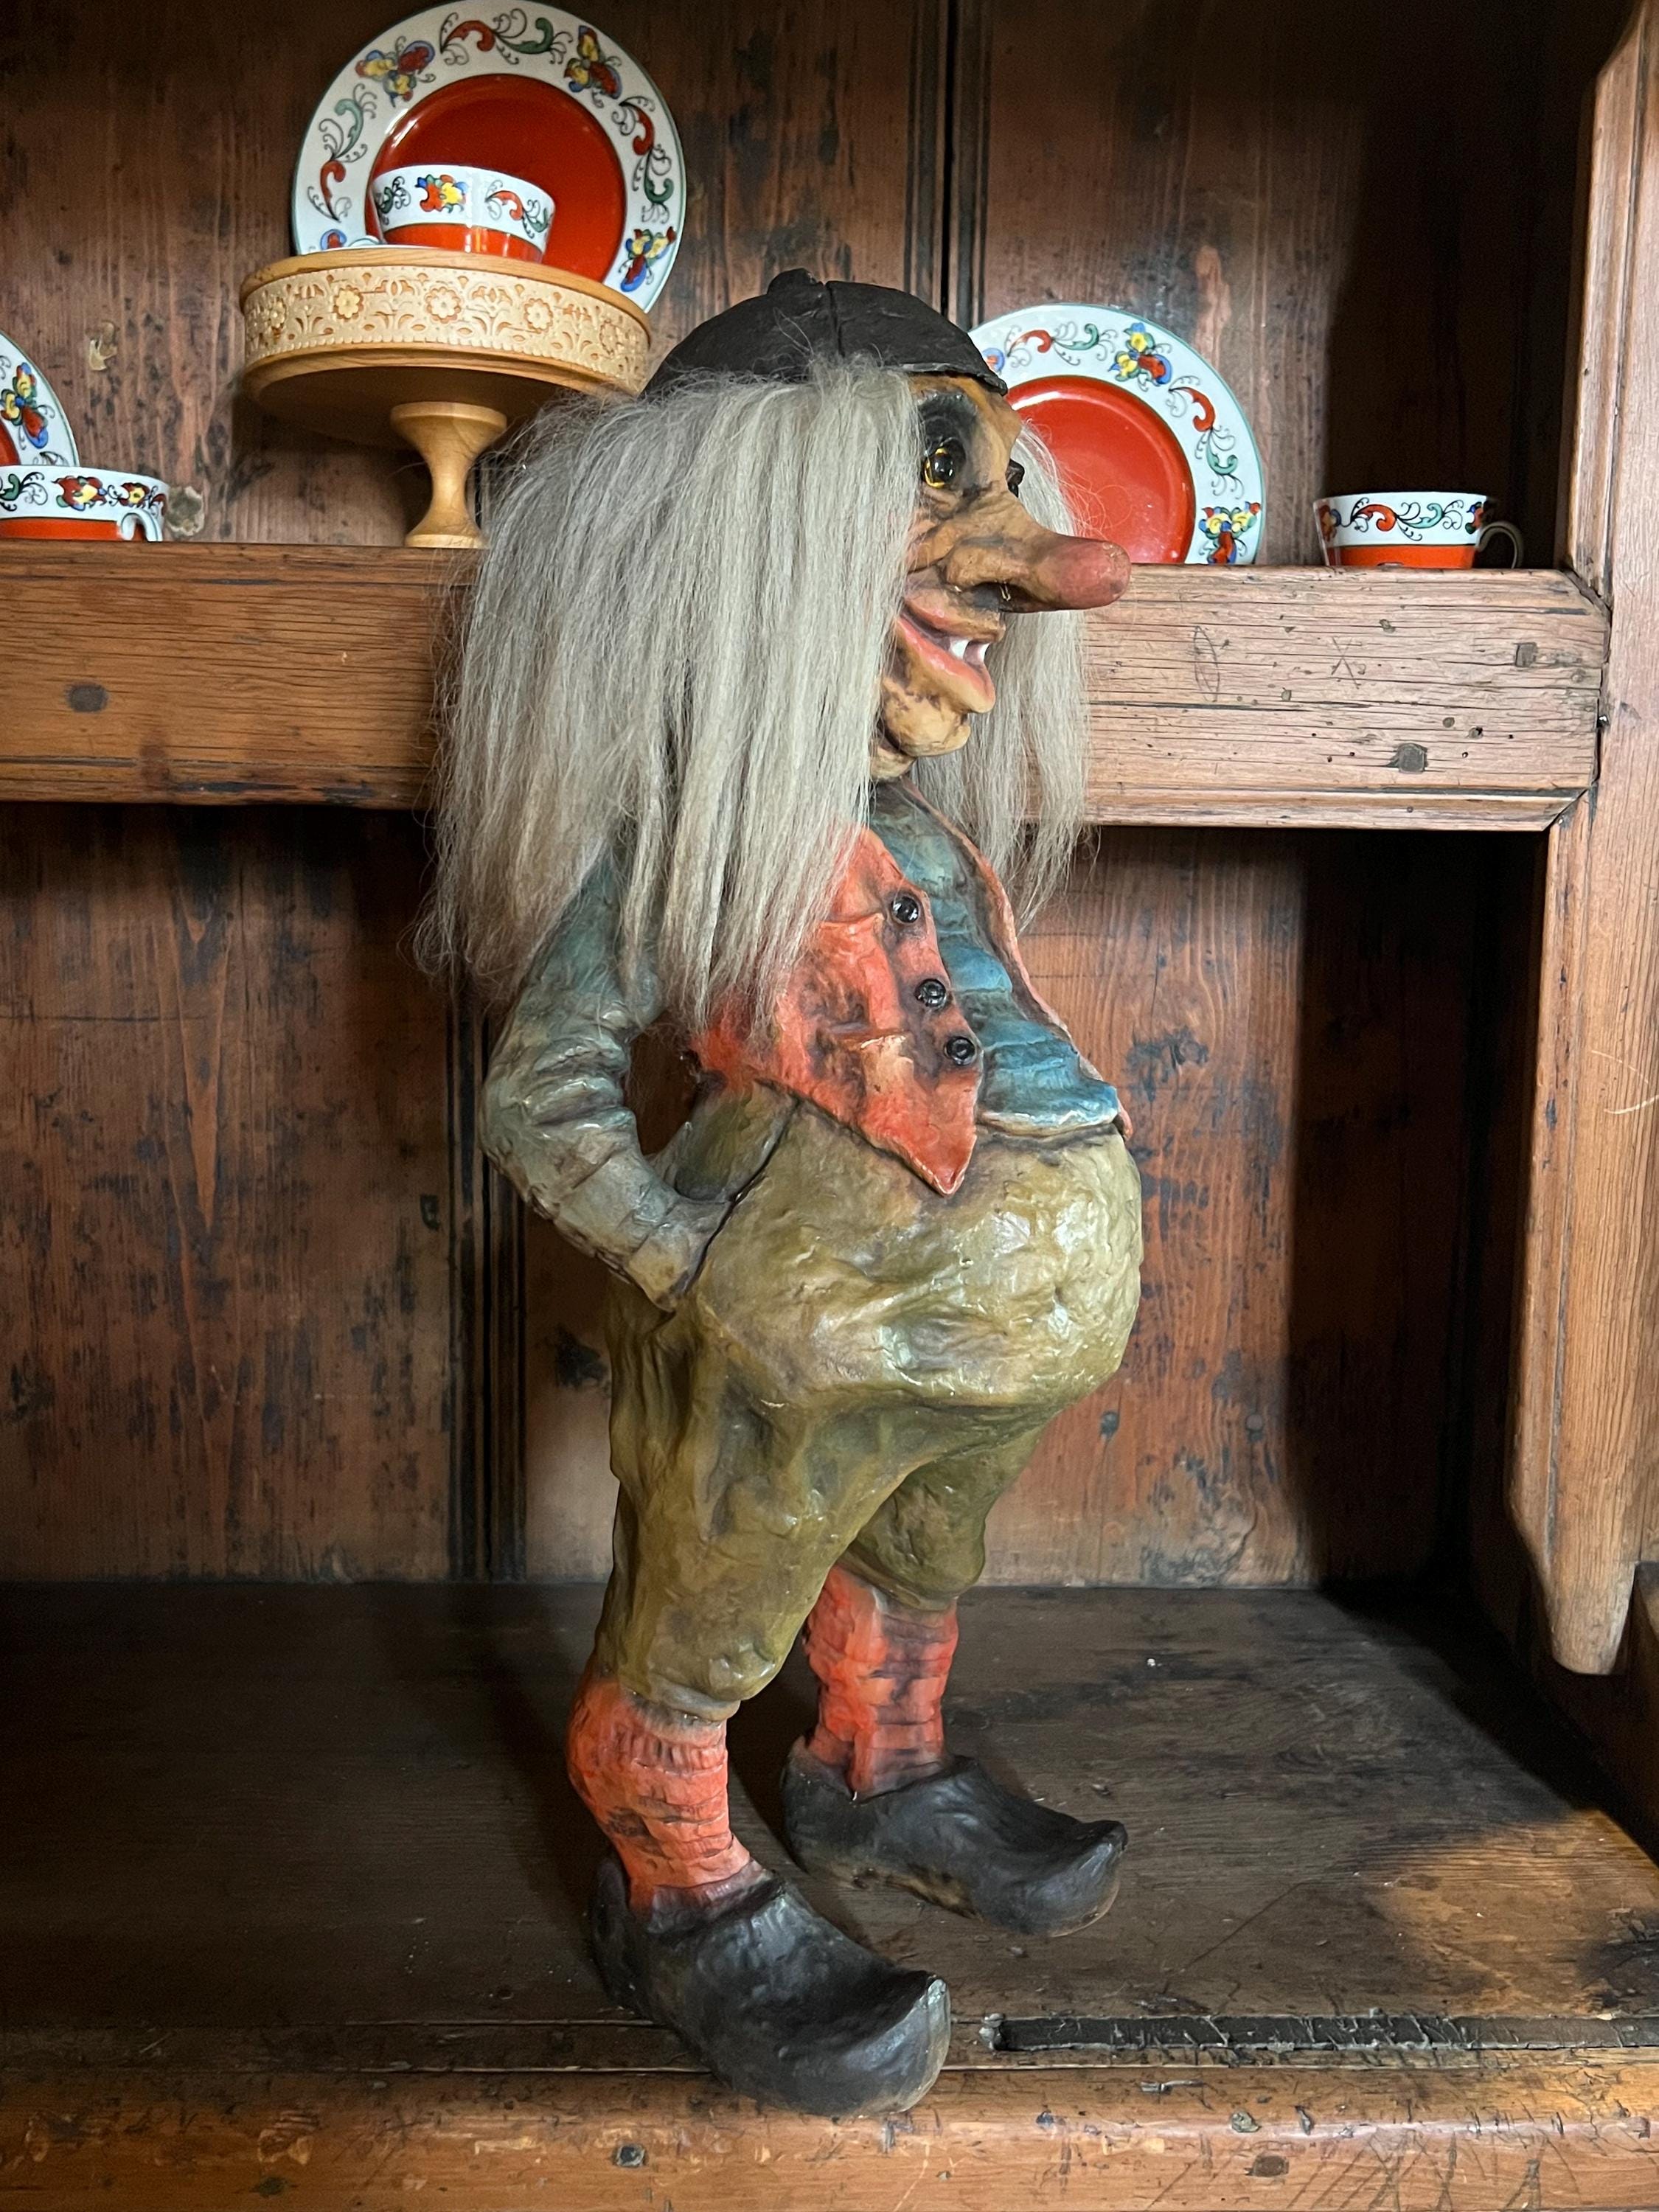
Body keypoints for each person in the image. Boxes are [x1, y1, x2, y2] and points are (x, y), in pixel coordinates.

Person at [423, 271, 1144, 2116]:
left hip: (984, 1352)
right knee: (713, 1602)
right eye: (938, 480)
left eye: (1004, 489)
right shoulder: (682, 829)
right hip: (811, 1341)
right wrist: (690, 1264)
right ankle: (672, 1864)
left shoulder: (921, 821)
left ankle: (878, 1766)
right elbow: (545, 1095)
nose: (1039, 565)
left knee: (920, 1551)